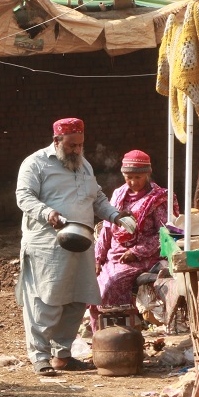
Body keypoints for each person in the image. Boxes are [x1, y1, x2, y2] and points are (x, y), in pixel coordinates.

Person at [16, 117, 133, 376]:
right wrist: (47, 213)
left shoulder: (84, 165)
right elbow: (23, 197)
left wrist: (116, 215)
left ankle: (62, 355)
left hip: (81, 242)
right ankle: (40, 356)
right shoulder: (35, 164)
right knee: (45, 300)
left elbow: (97, 198)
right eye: (71, 146)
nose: (77, 150)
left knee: (77, 299)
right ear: (57, 141)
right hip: (48, 245)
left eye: (80, 145)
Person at [90, 149, 179, 333]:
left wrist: (136, 251)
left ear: (147, 174)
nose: (132, 182)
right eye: (128, 177)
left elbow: (165, 233)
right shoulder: (118, 194)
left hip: (143, 256)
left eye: (137, 177)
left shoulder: (158, 198)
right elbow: (107, 229)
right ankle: (99, 333)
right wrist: (97, 259)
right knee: (92, 285)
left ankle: (120, 333)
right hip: (115, 255)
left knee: (112, 285)